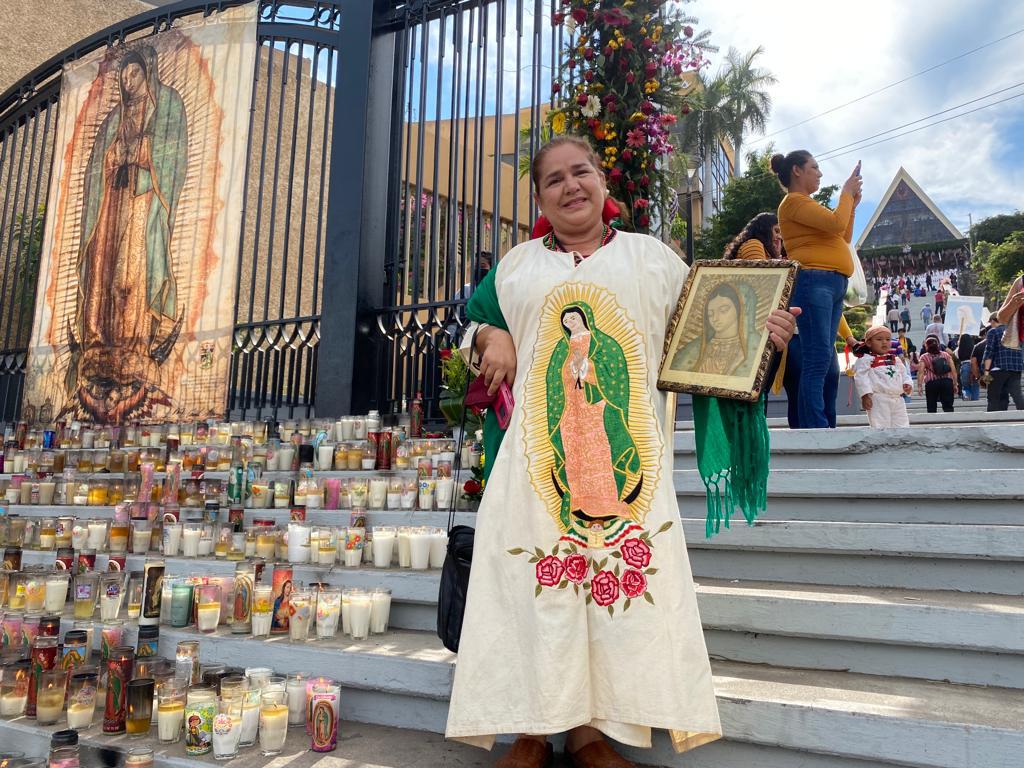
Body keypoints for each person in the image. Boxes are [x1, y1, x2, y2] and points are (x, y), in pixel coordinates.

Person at [446, 136, 798, 768]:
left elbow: (707, 339)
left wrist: (761, 336)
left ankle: (590, 738)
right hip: (534, 469)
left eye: (581, 171)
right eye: (553, 179)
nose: (570, 186)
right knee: (534, 597)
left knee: (610, 604)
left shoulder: (652, 260)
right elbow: (459, 329)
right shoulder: (516, 266)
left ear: (603, 182)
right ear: (539, 198)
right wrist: (487, 333)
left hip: (621, 462)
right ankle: (529, 732)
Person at [70, 45, 187, 422]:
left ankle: (135, 346)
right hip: (111, 204)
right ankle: (101, 344)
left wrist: (140, 150)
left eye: (135, 74)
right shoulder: (112, 119)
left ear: (147, 74)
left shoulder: (167, 106)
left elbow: (173, 157)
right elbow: (95, 166)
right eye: (124, 75)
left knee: (130, 275)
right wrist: (112, 157)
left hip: (141, 202)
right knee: (103, 275)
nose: (128, 80)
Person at [773, 150, 862, 429]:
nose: (820, 173)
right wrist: (845, 192)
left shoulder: (806, 204)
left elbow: (842, 234)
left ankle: (824, 425)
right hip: (814, 281)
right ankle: (815, 427)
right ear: (797, 171)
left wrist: (853, 204)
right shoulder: (793, 203)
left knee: (826, 360)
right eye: (815, 167)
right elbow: (837, 223)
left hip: (832, 283)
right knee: (817, 358)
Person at [670, 283, 763, 377]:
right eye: (710, 314)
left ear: (740, 309)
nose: (715, 318)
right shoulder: (694, 348)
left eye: (723, 310)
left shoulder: (757, 345)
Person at [853, 326, 912, 428]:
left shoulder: (895, 360)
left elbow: (904, 374)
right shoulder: (865, 360)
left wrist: (907, 384)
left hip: (898, 399)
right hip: (878, 399)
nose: (884, 342)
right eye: (879, 339)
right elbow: (861, 378)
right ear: (869, 343)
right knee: (880, 427)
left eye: (888, 339)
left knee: (902, 426)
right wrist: (865, 395)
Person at [982, 316, 1024, 411]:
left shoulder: (993, 332)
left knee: (994, 397)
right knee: (1017, 396)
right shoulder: (1017, 332)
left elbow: (989, 352)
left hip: (998, 369)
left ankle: (993, 421)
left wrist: (986, 371)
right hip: (1016, 368)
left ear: (994, 321)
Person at [917, 335, 957, 413]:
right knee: (948, 406)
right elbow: (953, 370)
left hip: (931, 383)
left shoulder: (924, 357)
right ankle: (950, 421)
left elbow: (921, 372)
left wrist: (919, 386)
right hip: (946, 382)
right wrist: (955, 384)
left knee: (931, 406)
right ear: (938, 345)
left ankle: (932, 422)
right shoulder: (945, 355)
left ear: (926, 345)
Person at [955, 332, 979, 401]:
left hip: (964, 366)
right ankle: (975, 400)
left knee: (965, 386)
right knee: (975, 385)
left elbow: (955, 356)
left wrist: (958, 345)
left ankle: (966, 398)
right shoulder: (974, 347)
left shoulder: (958, 349)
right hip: (974, 366)